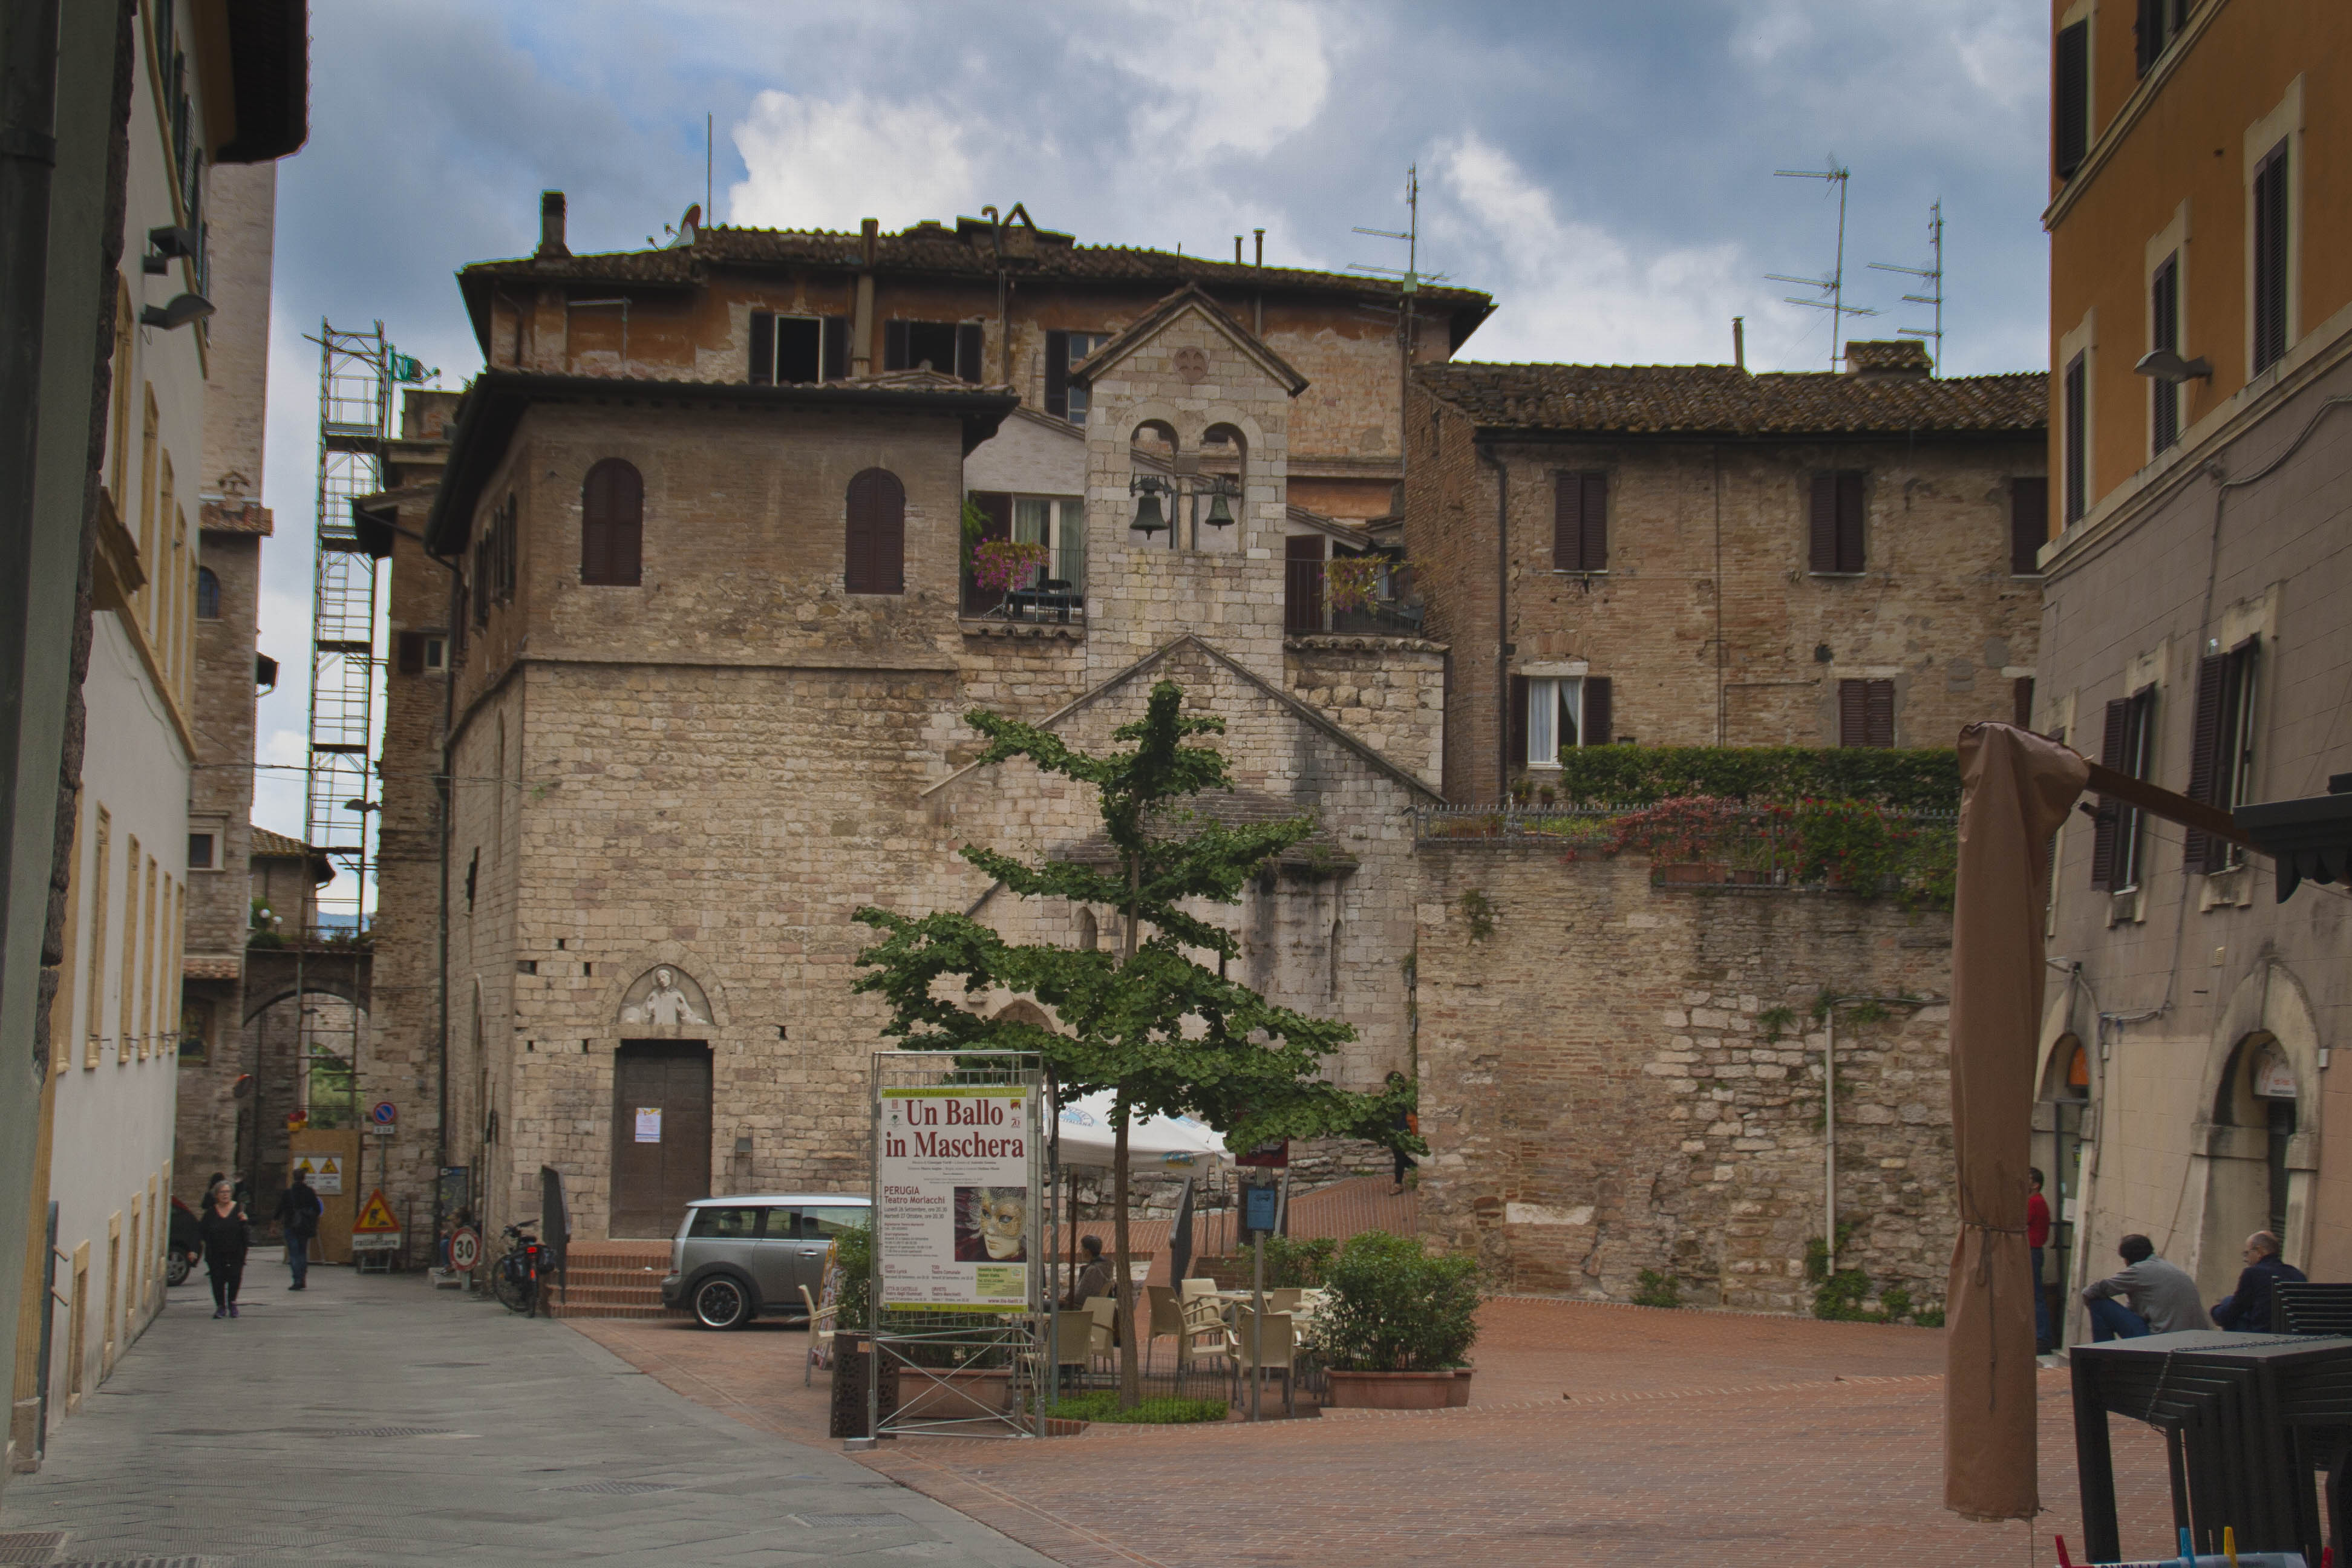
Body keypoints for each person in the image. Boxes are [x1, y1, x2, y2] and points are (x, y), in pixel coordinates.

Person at [2081, 1233, 2204, 1340]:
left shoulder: (2138, 1271)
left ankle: (2101, 1358)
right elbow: (2135, 1312)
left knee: (2097, 1302)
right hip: (2192, 1340)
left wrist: (2093, 1308)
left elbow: (2091, 1291)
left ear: (2127, 1260)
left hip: (2161, 1341)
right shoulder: (2169, 1268)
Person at [2212, 1230, 2307, 1331]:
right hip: (2296, 1336)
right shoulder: (2297, 1274)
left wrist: (2215, 1311)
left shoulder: (2253, 1273)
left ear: (2259, 1251)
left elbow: (2233, 1312)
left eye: (2247, 1253)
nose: (2245, 1259)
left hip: (2262, 1336)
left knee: (2227, 1302)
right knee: (2229, 1301)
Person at [198, 1180, 250, 1320]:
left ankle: (232, 1303)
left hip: (235, 1252)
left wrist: (245, 1222)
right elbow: (202, 1231)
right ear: (216, 1195)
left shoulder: (239, 1209)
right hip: (216, 1254)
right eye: (222, 1192)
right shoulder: (210, 1213)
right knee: (217, 1279)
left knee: (234, 1277)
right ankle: (221, 1306)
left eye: (228, 1192)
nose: (225, 1195)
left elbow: (246, 1233)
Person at [275, 1167, 323, 1290]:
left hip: (290, 1226)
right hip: (304, 1226)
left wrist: (275, 1221)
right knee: (302, 1252)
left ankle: (297, 1279)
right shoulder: (310, 1192)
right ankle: (302, 1278)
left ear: (293, 1177)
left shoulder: (288, 1193)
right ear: (304, 1178)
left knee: (294, 1254)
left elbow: (280, 1209)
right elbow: (318, 1209)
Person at [2028, 1168, 2055, 1353]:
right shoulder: (2034, 1202)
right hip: (2031, 1251)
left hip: (2031, 1251)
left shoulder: (2035, 1202)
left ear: (2036, 1184)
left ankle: (2042, 1338)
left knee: (2035, 1295)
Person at [1387, 1071, 1419, 1195]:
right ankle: (1418, 1170)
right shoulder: (1390, 1096)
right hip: (1393, 1130)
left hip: (1402, 1129)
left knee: (1399, 1157)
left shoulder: (1406, 1096)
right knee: (1400, 1156)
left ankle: (1398, 1184)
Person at [1060, 1234, 1113, 1310]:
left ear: (1087, 1252)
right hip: (1086, 1309)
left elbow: (1081, 1296)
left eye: (1082, 1249)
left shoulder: (1093, 1270)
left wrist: (1065, 1299)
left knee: (1043, 1304)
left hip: (1078, 1311)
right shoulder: (1105, 1268)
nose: (1081, 1251)